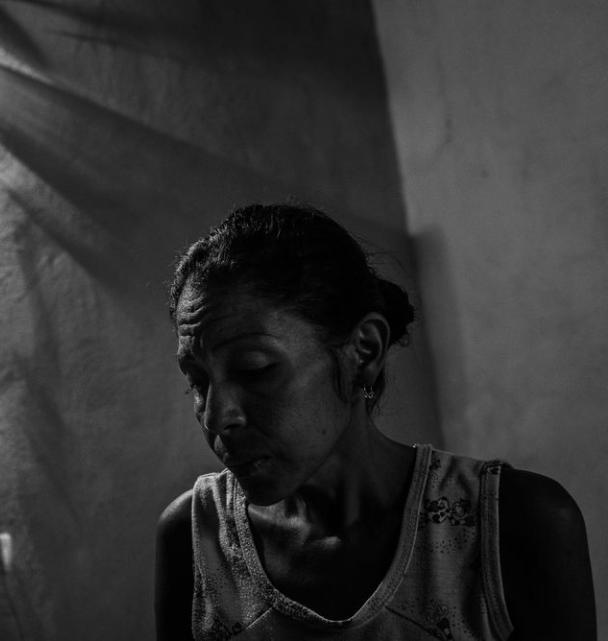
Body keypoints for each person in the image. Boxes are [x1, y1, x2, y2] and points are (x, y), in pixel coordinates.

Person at [155, 203, 595, 641]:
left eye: (254, 371)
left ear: (363, 351)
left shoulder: (510, 525)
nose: (217, 417)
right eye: (197, 382)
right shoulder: (197, 538)